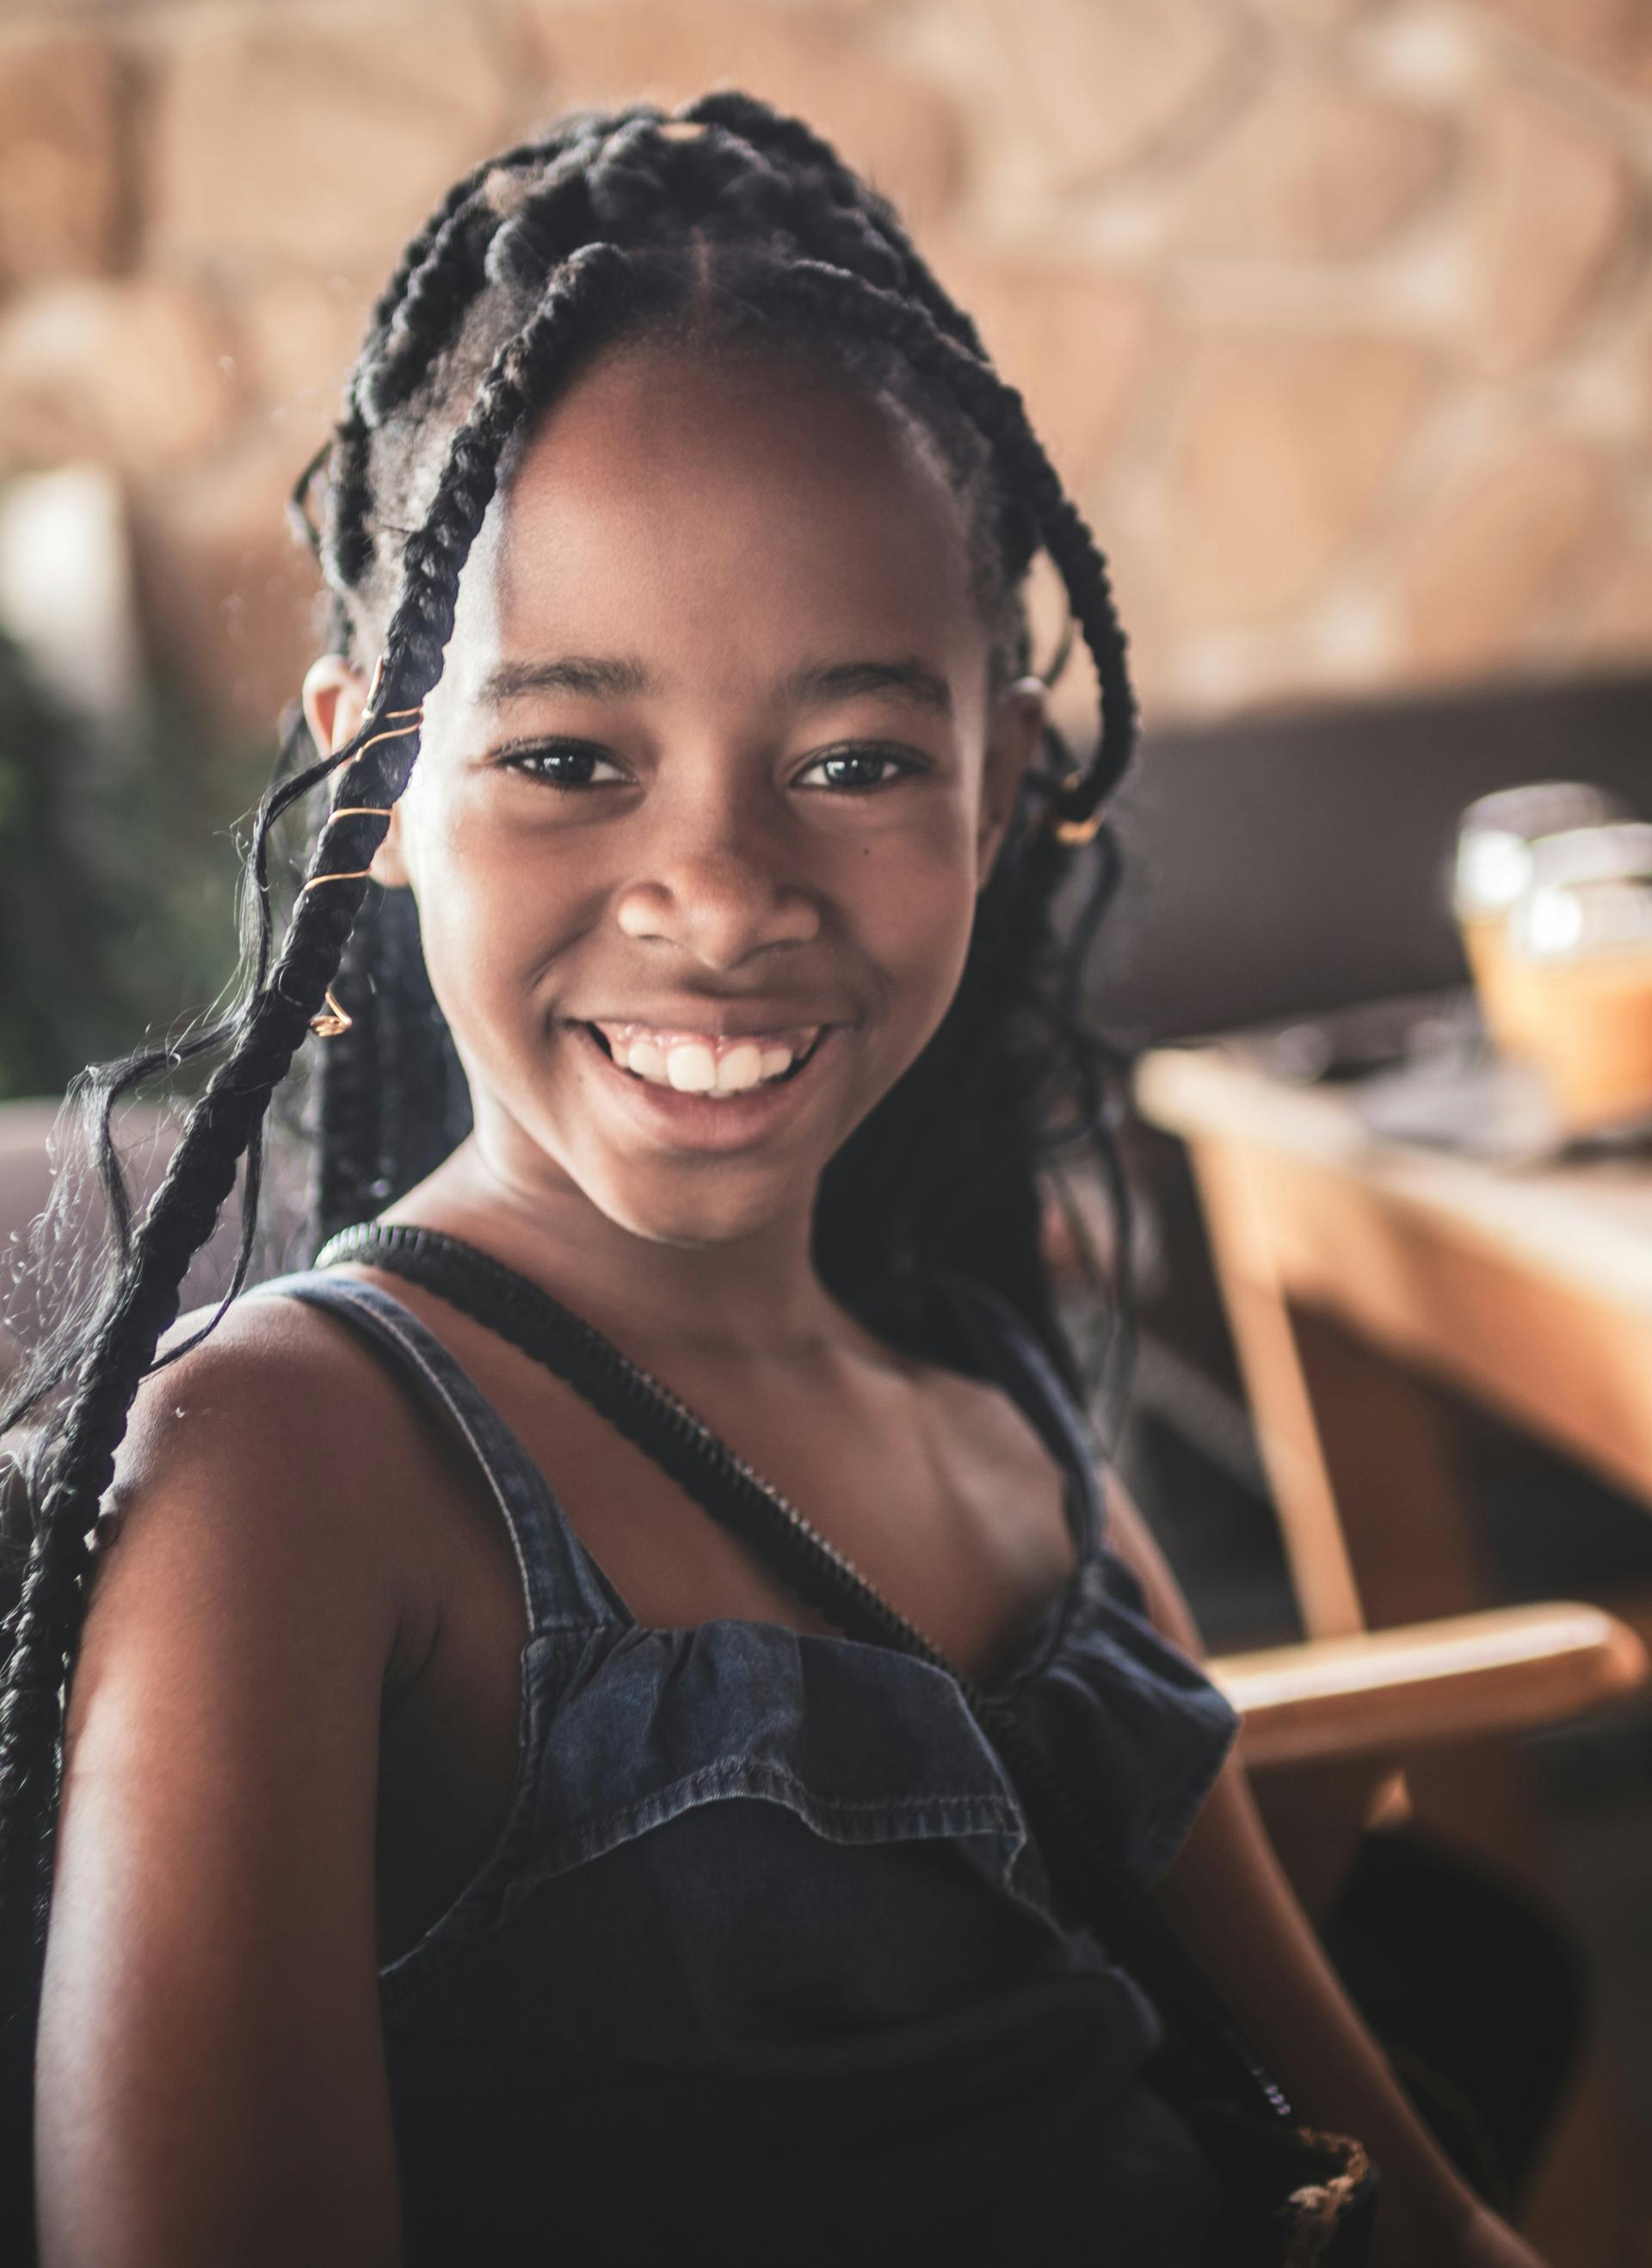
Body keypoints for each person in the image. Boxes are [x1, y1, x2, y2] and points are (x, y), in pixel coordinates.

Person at [0, 96, 1546, 2267]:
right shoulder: (295, 1471)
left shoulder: (1006, 1426)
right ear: (374, 780)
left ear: (1004, 781)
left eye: (855, 760)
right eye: (562, 757)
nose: (721, 893)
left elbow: (1397, 2193)